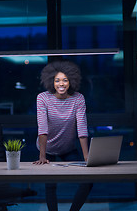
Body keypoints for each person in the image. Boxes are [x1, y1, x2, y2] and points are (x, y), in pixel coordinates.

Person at [33, 60, 93, 211]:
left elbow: (82, 128)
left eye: (65, 80)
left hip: (68, 148)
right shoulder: (43, 98)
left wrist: (86, 157)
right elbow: (43, 128)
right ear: (51, 81)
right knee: (50, 185)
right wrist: (42, 155)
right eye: (57, 80)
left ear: (71, 81)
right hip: (47, 148)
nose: (61, 84)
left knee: (88, 180)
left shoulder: (78, 99)